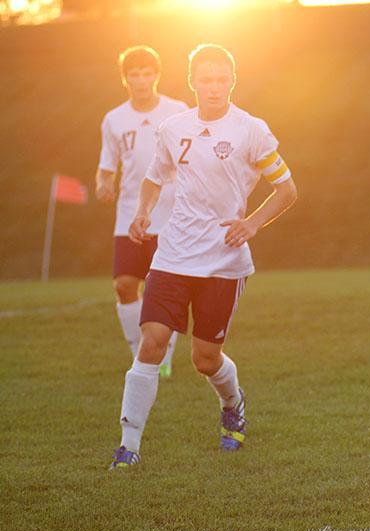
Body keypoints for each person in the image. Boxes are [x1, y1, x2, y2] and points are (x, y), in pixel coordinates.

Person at [108, 44, 298, 468]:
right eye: (205, 80)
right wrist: (141, 213)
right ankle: (129, 446)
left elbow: (287, 189)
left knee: (204, 359)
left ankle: (233, 405)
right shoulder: (173, 128)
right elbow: (153, 178)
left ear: (233, 80)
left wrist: (251, 224)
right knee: (152, 343)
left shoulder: (251, 129)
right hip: (172, 255)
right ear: (191, 82)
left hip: (223, 261)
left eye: (221, 79)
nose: (214, 88)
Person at [96, 46, 187, 377]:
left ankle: (165, 353)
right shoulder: (114, 119)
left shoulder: (178, 111)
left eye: (147, 73)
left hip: (174, 214)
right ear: (125, 79)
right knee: (124, 285)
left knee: (165, 287)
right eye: (134, 74)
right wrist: (102, 183)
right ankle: (141, 351)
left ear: (156, 76)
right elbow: (107, 165)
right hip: (129, 214)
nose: (141, 80)